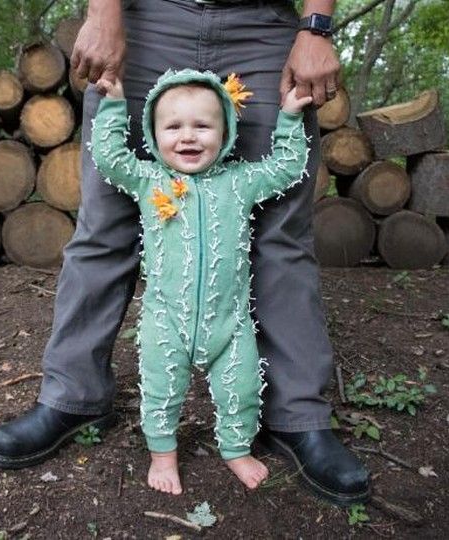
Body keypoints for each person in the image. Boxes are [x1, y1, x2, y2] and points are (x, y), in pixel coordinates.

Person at [0, 0, 370, 506]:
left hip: (263, 25)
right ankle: (74, 396)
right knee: (104, 224)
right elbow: (113, 161)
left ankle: (297, 415)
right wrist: (103, 13)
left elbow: (283, 171)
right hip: (146, 17)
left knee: (281, 234)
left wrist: (315, 26)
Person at [90, 67, 312, 494]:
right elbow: (111, 159)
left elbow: (287, 167)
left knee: (241, 389)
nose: (188, 137)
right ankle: (163, 455)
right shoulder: (149, 179)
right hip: (165, 321)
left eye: (202, 126)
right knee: (160, 389)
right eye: (173, 126)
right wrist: (114, 105)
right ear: (154, 134)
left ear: (226, 131)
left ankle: (236, 448)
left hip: (229, 323)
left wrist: (288, 118)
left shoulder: (239, 182)